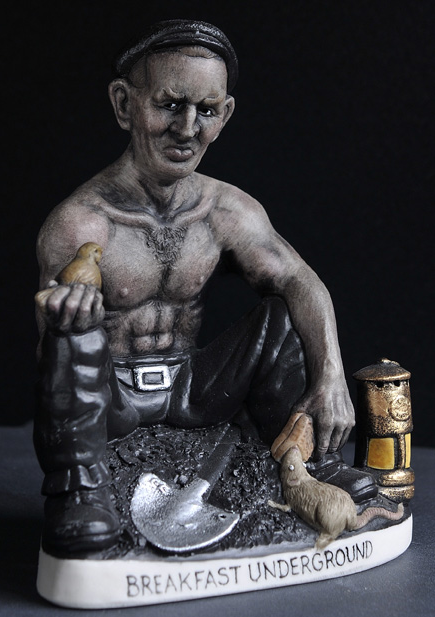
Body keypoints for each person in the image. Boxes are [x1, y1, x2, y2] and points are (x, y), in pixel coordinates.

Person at [34, 20, 376, 556]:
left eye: (207, 110)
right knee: (69, 333)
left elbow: (301, 279)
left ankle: (309, 464)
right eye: (170, 105)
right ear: (124, 104)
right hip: (112, 402)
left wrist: (331, 376)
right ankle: (80, 491)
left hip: (192, 390)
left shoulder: (225, 210)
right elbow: (51, 360)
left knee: (284, 312)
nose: (187, 128)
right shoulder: (81, 223)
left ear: (226, 114)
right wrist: (71, 315)